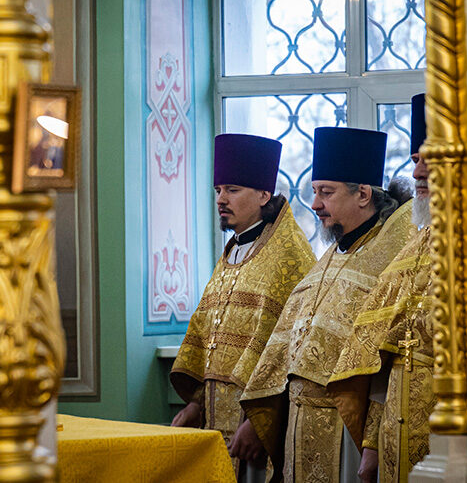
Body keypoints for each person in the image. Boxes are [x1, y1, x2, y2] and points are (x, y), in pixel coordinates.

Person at [240, 126, 415, 482]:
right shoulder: (335, 253)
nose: (315, 204)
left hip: (347, 427)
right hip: (299, 424)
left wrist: (373, 444)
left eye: (326, 192)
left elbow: (388, 359)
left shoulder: (391, 255)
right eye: (315, 191)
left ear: (363, 193)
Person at [170, 133, 316, 479]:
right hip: (213, 413)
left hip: (256, 422)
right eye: (218, 190)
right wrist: (195, 402)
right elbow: (208, 332)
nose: (221, 199)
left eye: (233, 190)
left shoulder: (290, 255)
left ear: (264, 195)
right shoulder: (232, 250)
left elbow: (290, 350)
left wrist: (258, 422)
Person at [327, 93, 435, 483]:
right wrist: (372, 444)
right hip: (393, 432)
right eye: (415, 161)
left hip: (448, 440)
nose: (418, 173)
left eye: (430, 161)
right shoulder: (415, 245)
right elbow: (379, 361)